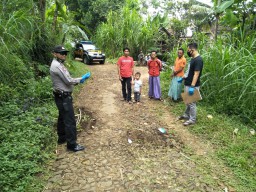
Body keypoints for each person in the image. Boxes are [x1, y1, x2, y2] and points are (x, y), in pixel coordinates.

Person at [50, 45, 91, 152]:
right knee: (70, 120)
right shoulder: (57, 66)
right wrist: (81, 79)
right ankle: (72, 145)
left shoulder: (57, 64)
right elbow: (68, 80)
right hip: (63, 97)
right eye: (61, 53)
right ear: (54, 54)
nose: (64, 55)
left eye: (65, 53)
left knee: (62, 117)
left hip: (59, 95)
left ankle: (62, 138)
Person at [178, 43, 204, 126]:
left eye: (188, 50)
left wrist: (192, 86)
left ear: (193, 50)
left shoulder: (198, 60)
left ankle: (192, 119)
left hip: (193, 85)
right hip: (187, 82)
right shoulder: (193, 59)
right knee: (188, 101)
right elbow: (189, 71)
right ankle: (186, 115)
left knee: (192, 102)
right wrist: (183, 77)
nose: (188, 52)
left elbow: (196, 74)